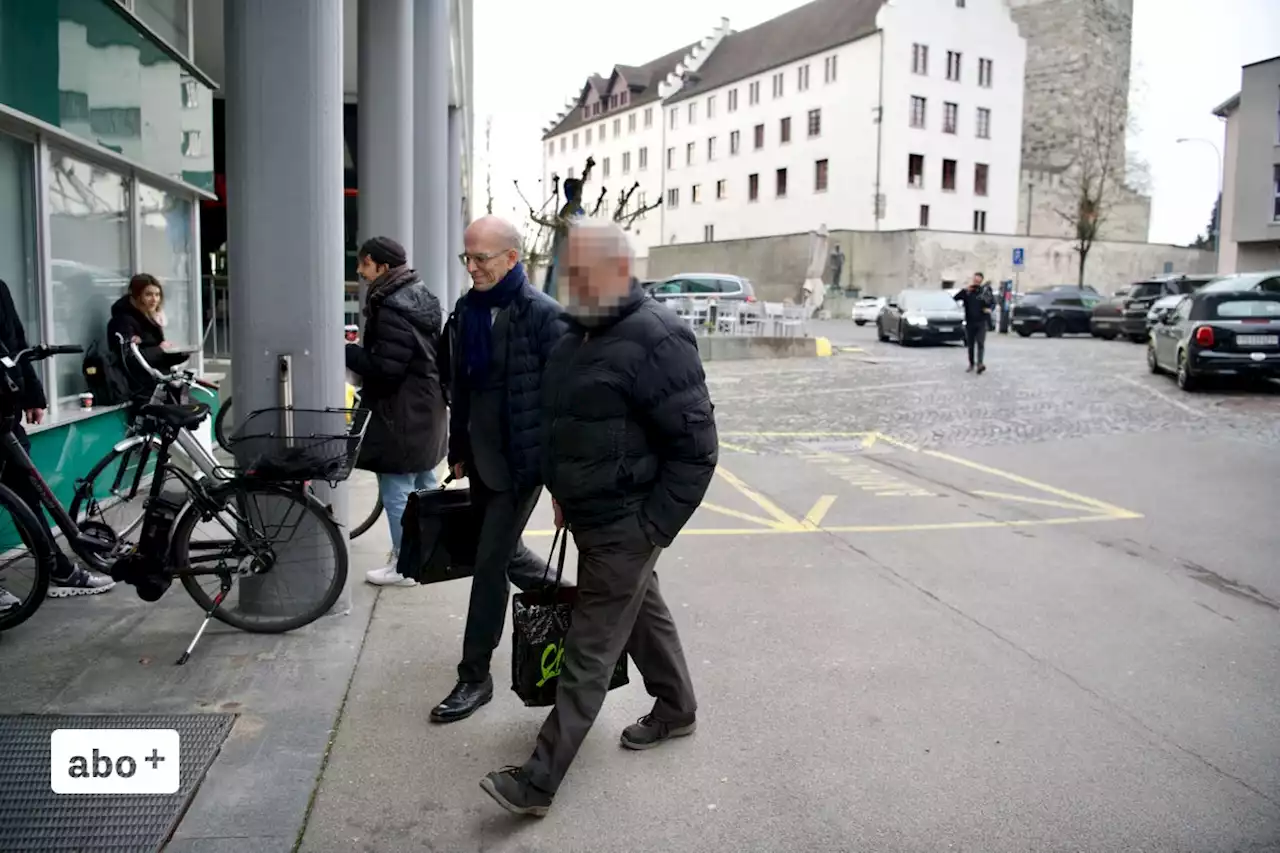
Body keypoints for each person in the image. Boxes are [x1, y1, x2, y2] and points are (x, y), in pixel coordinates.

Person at [479, 220, 717, 818]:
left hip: (628, 522)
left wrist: (652, 529)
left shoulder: (659, 337)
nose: (572, 282)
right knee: (642, 615)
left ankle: (537, 782)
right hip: (588, 514)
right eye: (569, 271)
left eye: (584, 271)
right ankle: (677, 709)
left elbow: (697, 449)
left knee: (589, 649)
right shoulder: (573, 336)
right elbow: (562, 421)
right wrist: (560, 490)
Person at [429, 215, 568, 724]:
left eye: (481, 258)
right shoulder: (467, 311)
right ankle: (572, 600)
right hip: (481, 459)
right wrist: (458, 448)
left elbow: (559, 405)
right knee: (506, 554)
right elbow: (462, 389)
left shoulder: (543, 316)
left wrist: (560, 483)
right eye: (466, 257)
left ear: (511, 258)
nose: (472, 267)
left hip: (521, 464)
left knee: (489, 562)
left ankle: (474, 677)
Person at [0, 278, 115, 605]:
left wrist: (31, 394)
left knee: (27, 492)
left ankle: (57, 570)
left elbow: (15, 341)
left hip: (4, 412)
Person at [345, 237, 448, 585]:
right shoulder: (419, 295)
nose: (360, 271)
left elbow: (387, 368)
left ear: (382, 267)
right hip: (426, 407)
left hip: (401, 412)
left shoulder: (390, 306)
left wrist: (346, 351)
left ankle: (406, 565)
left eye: (365, 263)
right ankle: (426, 558)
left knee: (397, 489)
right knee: (424, 485)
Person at [107, 274, 189, 389]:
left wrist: (179, 354)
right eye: (148, 295)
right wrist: (160, 349)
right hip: (141, 387)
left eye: (157, 295)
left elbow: (159, 357)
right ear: (136, 296)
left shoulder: (148, 318)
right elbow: (128, 359)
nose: (154, 299)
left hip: (158, 382)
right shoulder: (122, 322)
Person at [954, 272, 995, 374]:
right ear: (973, 279)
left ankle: (980, 364)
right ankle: (971, 364)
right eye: (975, 279)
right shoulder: (967, 292)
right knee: (971, 344)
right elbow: (955, 298)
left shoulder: (985, 291)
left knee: (980, 343)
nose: (976, 280)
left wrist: (990, 309)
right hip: (970, 322)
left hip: (981, 322)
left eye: (978, 279)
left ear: (981, 280)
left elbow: (992, 302)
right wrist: (965, 290)